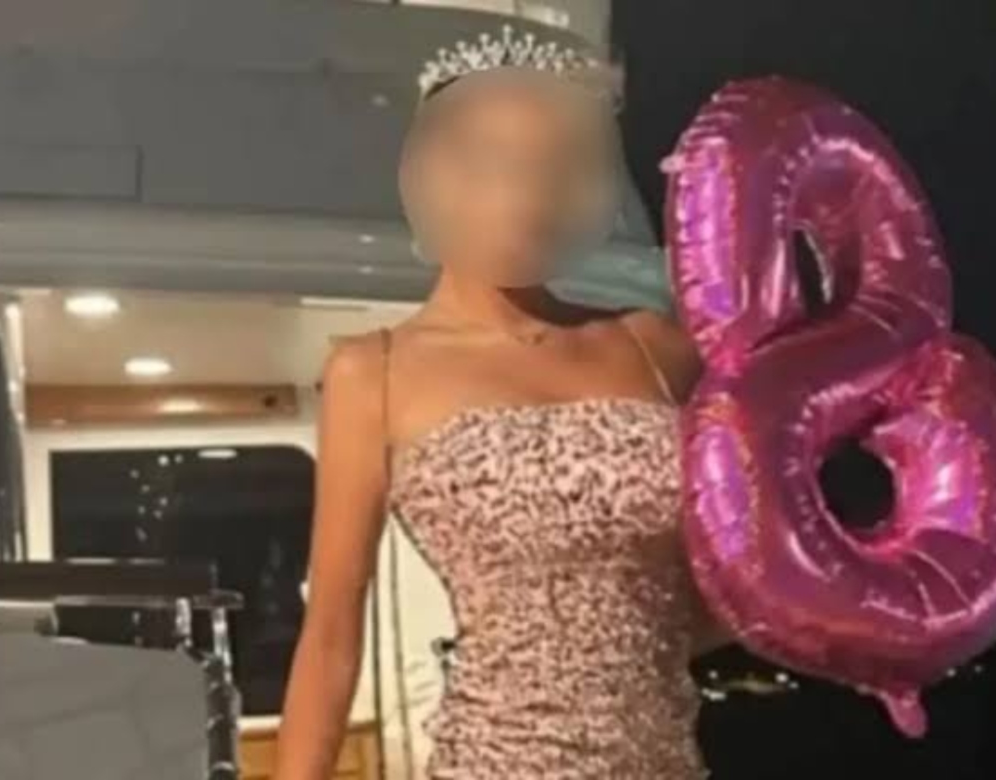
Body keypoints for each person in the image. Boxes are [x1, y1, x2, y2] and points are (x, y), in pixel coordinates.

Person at [275, 27, 727, 779]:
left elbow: (736, 583)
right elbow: (330, 633)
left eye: (554, 168)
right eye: (496, 165)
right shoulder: (373, 371)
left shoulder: (653, 346)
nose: (526, 195)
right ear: (438, 178)